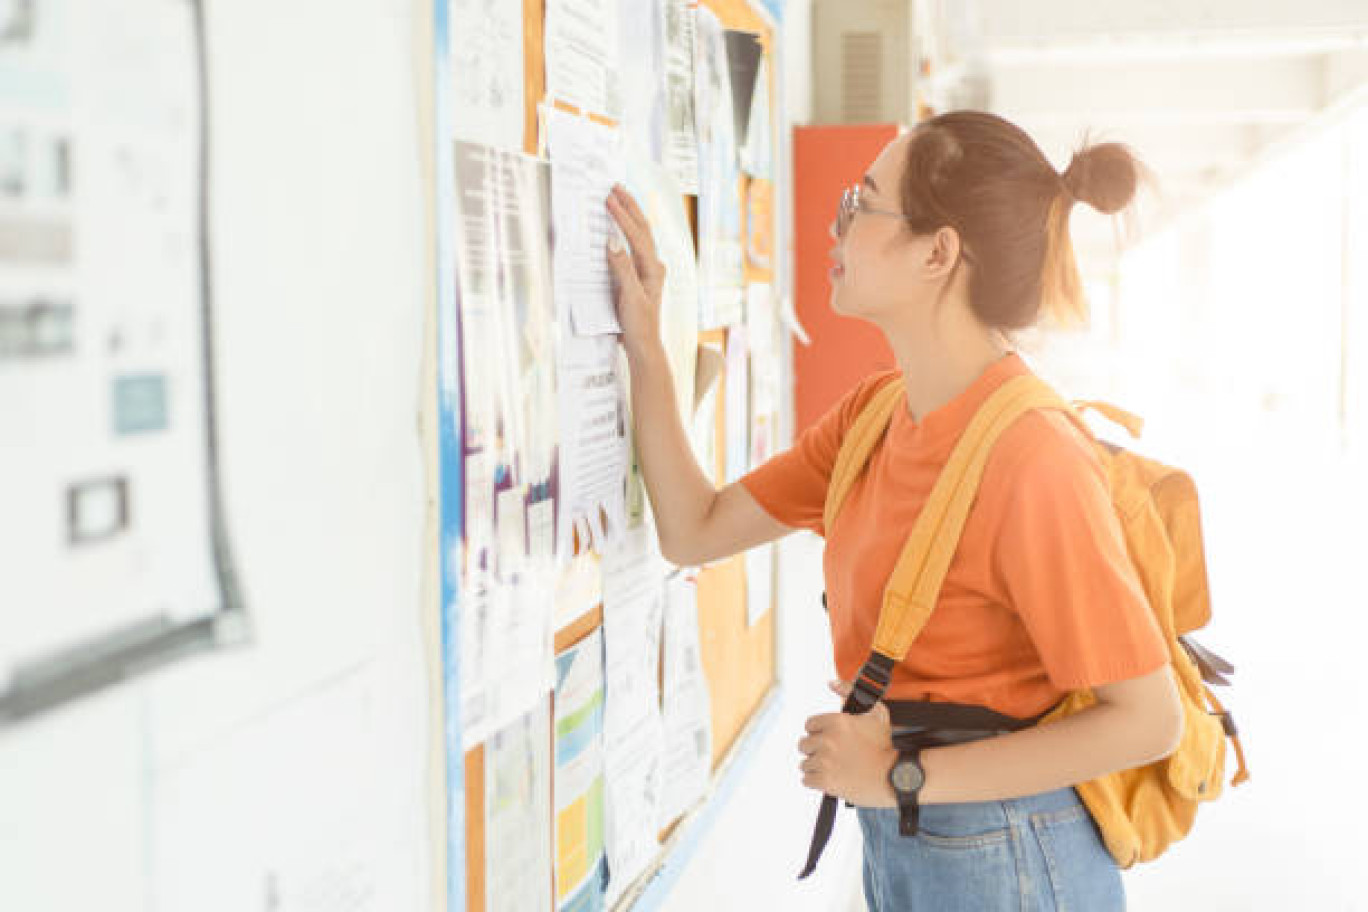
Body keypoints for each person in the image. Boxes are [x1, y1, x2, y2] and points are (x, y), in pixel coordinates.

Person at [605, 110, 1183, 911]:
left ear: (937, 253)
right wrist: (644, 345)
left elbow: (1148, 721)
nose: (837, 224)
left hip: (1009, 854)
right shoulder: (874, 415)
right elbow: (692, 527)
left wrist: (899, 776)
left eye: (861, 202)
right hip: (914, 833)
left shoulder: (1034, 460)